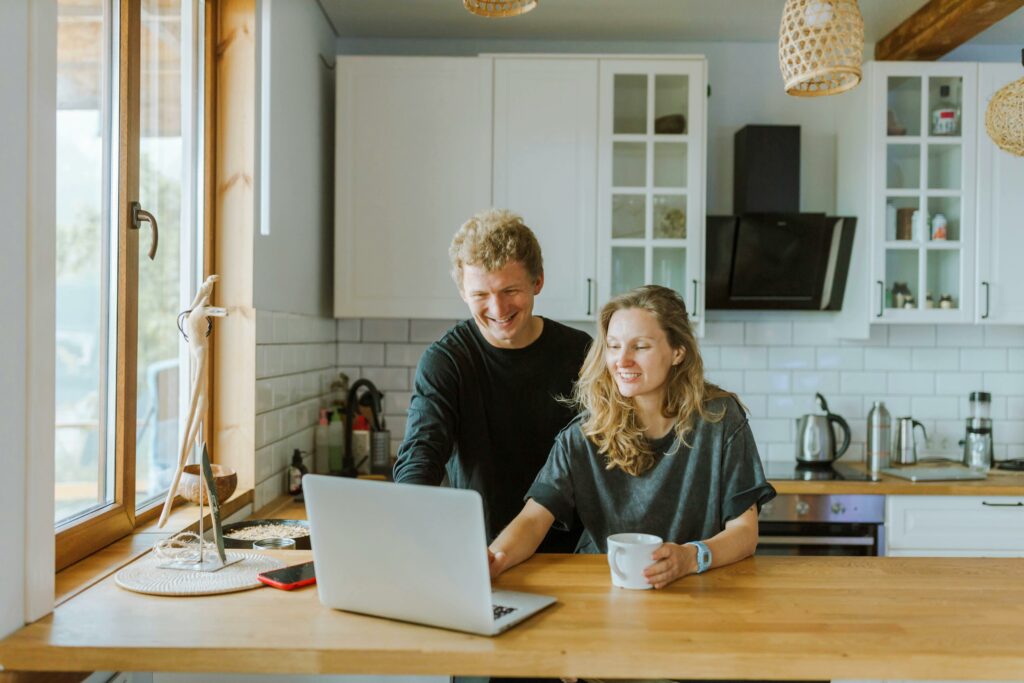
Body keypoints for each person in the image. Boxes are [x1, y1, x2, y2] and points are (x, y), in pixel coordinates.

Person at [488, 285, 776, 588]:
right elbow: (533, 520)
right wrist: (495, 559)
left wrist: (690, 558)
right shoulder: (584, 435)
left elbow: (745, 532)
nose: (622, 360)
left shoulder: (720, 419)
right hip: (606, 591)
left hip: (696, 590)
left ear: (678, 351)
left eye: (639, 347)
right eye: (614, 346)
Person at [393, 208, 591, 553]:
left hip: (571, 553)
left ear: (537, 282)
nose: (498, 309)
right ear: (463, 293)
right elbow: (421, 452)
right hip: (480, 552)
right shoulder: (446, 361)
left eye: (510, 290)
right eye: (481, 295)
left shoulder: (581, 354)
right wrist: (409, 514)